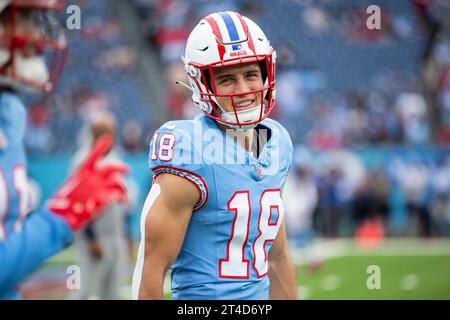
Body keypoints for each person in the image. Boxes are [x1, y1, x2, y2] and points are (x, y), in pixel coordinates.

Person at [133, 11, 297, 300]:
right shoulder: (190, 149)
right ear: (202, 84)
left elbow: (277, 256)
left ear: (266, 73)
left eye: (250, 74)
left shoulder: (277, 142)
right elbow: (151, 271)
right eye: (227, 79)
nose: (244, 89)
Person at [0, 0, 128, 299]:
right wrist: (60, 217)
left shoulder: (10, 110)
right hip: (93, 243)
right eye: (24, 18)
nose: (35, 33)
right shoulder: (82, 158)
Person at [70, 112, 132, 300]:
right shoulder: (83, 161)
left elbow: (122, 203)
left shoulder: (115, 159)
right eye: (103, 132)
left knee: (113, 293)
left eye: (111, 132)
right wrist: (91, 238)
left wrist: (126, 236)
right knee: (85, 292)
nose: (109, 136)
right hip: (94, 238)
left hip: (115, 235)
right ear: (93, 133)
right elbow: (77, 203)